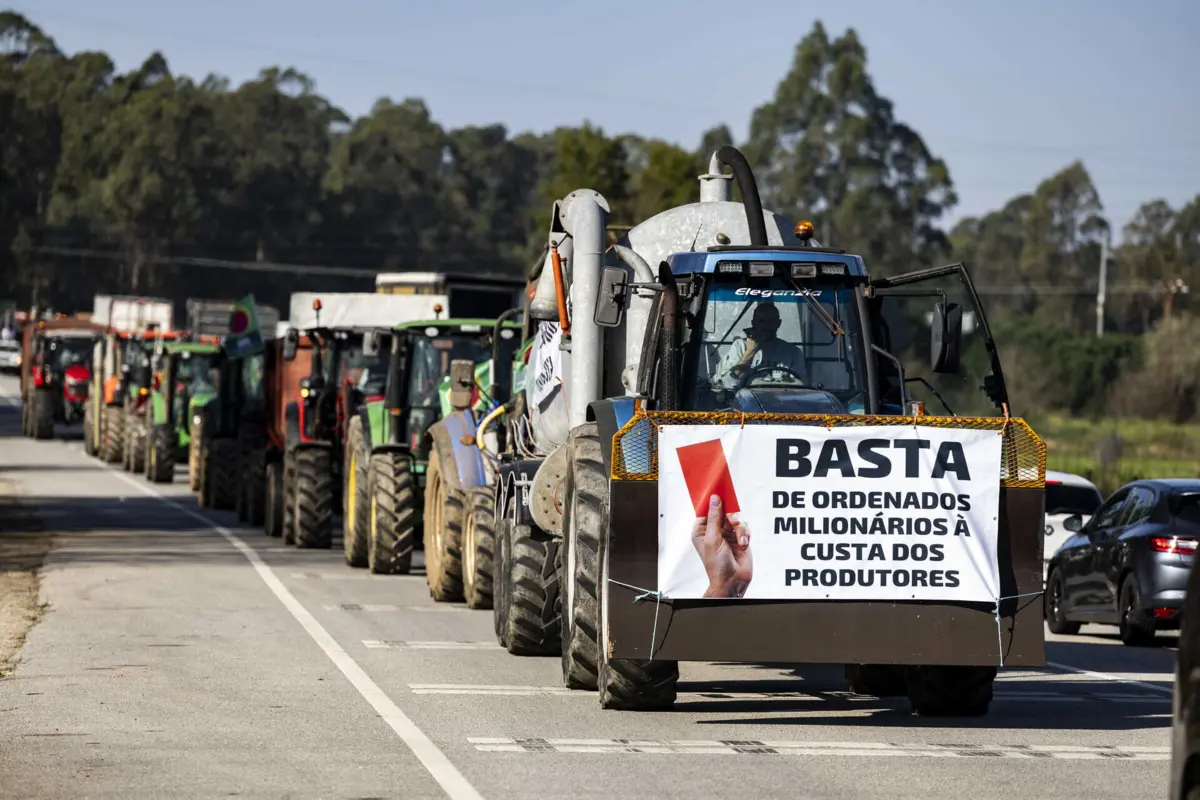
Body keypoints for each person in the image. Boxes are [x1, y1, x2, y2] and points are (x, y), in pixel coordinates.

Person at [712, 302, 807, 391]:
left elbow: (800, 387)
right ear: (753, 323)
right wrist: (749, 353)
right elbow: (728, 384)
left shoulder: (793, 352)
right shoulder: (740, 346)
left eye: (770, 321)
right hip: (747, 399)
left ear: (778, 323)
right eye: (761, 321)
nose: (766, 325)